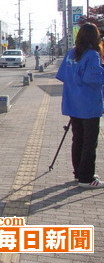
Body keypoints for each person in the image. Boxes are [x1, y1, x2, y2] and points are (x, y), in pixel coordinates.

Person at [56, 23, 104, 188]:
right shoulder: (92, 55)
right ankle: (86, 178)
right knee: (90, 142)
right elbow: (94, 79)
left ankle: (80, 173)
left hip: (73, 104)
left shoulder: (71, 54)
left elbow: (62, 75)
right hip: (88, 105)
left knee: (78, 140)